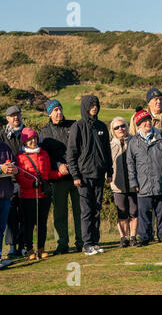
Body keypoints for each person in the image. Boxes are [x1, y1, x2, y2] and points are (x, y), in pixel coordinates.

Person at [67, 95, 113, 256]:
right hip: (84, 177)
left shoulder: (102, 126)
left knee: (97, 210)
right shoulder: (77, 127)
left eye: (96, 105)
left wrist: (110, 172)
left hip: (100, 175)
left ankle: (95, 242)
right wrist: (75, 176)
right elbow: (71, 154)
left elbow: (107, 151)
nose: (94, 107)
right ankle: (87, 244)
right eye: (91, 105)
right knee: (86, 211)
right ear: (85, 106)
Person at [39, 100, 83, 255]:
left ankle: (82, 242)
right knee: (59, 213)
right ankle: (62, 244)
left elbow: (81, 147)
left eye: (60, 109)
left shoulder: (74, 125)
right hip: (58, 179)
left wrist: (74, 166)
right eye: (55, 110)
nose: (58, 113)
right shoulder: (45, 132)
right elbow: (44, 155)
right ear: (49, 113)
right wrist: (58, 165)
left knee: (80, 211)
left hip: (76, 176)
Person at [127, 110, 162, 246]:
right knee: (144, 213)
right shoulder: (133, 142)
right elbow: (130, 164)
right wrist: (133, 182)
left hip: (161, 182)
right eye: (144, 121)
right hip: (143, 184)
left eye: (149, 120)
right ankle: (145, 237)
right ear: (139, 125)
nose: (147, 123)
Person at [16, 128, 63, 260]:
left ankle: (41, 249)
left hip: (43, 195)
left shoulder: (44, 154)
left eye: (35, 138)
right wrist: (31, 184)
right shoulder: (20, 157)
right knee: (29, 224)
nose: (33, 141)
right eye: (30, 139)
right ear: (25, 142)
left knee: (42, 223)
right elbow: (19, 176)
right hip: (27, 196)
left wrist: (60, 173)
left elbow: (48, 174)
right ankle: (30, 250)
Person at [0, 106, 25, 258]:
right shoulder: (2, 135)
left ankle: (22, 245)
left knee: (22, 214)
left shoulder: (27, 133)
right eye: (12, 115)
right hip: (7, 182)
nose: (16, 118)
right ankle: (11, 246)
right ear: (7, 118)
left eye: (18, 115)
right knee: (9, 217)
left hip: (22, 178)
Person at [110, 117, 138, 248]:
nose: (120, 129)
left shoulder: (135, 142)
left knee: (134, 211)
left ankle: (133, 237)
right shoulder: (109, 146)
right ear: (113, 131)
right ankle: (123, 238)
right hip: (118, 185)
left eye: (122, 126)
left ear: (127, 127)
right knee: (121, 212)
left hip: (133, 184)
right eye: (116, 127)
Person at [0, 141, 18, 269]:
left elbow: (15, 164)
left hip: (5, 195)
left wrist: (15, 169)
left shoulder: (5, 147)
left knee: (0, 230)